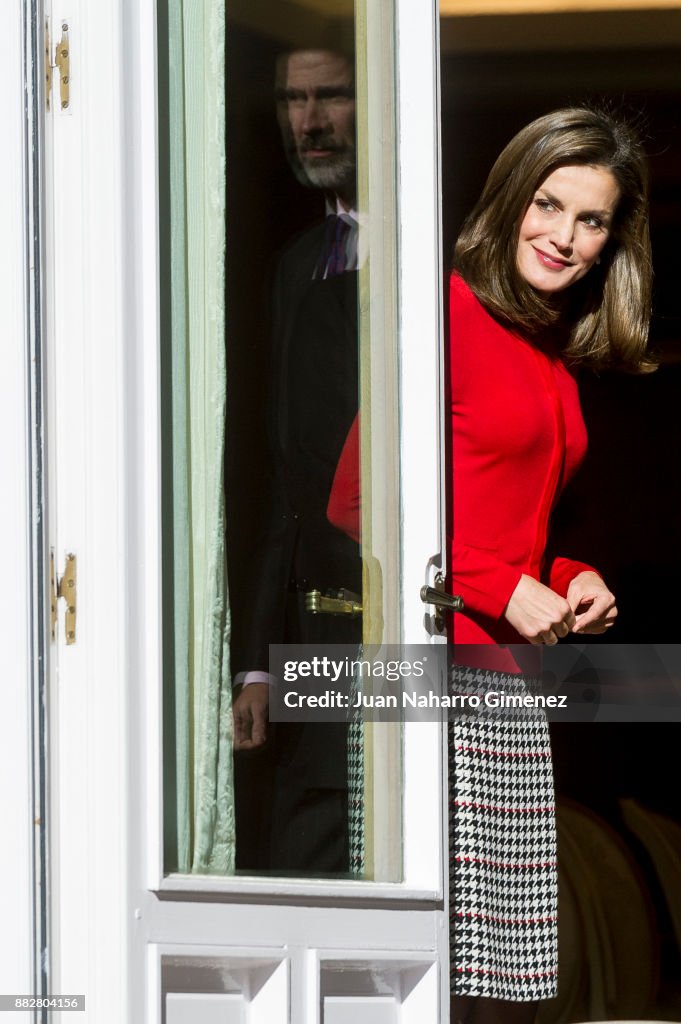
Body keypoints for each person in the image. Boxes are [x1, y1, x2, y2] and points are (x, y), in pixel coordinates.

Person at [447, 107, 653, 1023]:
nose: (563, 238)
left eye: (591, 220)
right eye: (547, 204)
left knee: (506, 983)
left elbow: (512, 521)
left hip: (513, 689)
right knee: (448, 975)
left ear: (614, 241)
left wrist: (570, 574)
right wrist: (496, 585)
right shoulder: (445, 316)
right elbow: (355, 501)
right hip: (441, 678)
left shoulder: (549, 356)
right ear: (509, 202)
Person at [231, 46, 363, 873]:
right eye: (292, 99)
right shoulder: (295, 261)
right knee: (303, 863)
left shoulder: (447, 259)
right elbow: (282, 472)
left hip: (413, 625)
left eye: (331, 96)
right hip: (312, 631)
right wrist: (256, 659)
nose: (308, 121)